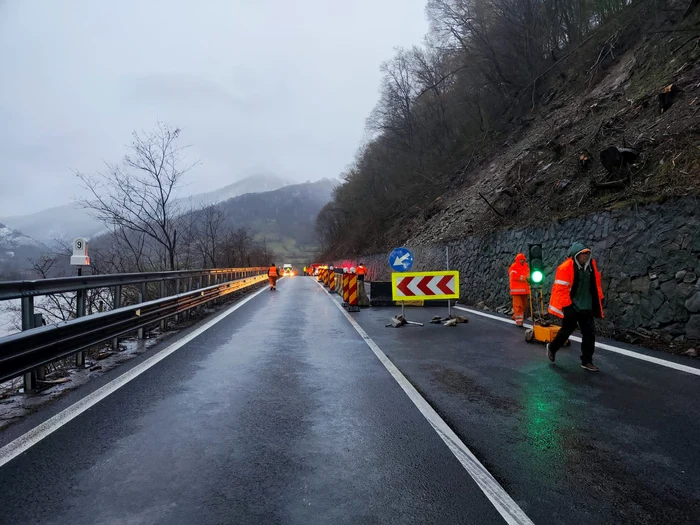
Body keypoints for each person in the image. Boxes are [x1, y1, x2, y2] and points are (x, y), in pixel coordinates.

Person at [547, 242, 605, 372]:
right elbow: (561, 289)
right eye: (582, 255)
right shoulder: (565, 268)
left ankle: (587, 361)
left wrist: (600, 298)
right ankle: (552, 347)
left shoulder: (591, 265)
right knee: (566, 331)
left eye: (587, 254)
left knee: (589, 334)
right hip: (572, 305)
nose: (585, 257)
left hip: (586, 305)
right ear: (575, 256)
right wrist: (568, 307)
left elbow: (596, 284)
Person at [508, 253, 530, 327]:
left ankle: (515, 316)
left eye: (523, 260)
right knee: (518, 305)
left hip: (525, 290)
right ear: (517, 260)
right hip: (516, 290)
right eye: (521, 259)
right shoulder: (514, 266)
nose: (522, 261)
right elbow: (513, 276)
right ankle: (519, 321)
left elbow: (529, 275)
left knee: (524, 305)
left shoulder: (526, 266)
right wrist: (524, 278)